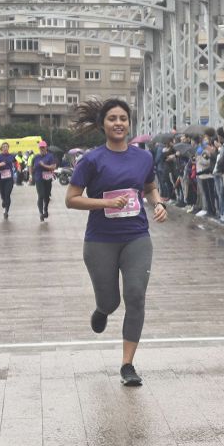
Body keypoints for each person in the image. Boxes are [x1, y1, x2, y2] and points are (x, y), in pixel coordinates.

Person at [65, 98, 168, 387]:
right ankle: (102, 310)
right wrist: (105, 202)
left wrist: (158, 203)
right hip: (100, 241)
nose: (119, 123)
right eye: (112, 118)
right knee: (111, 301)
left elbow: (149, 187)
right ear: (102, 125)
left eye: (123, 118)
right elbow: (71, 199)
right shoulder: (92, 160)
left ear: (129, 123)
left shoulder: (143, 158)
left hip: (137, 236)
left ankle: (127, 364)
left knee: (135, 296)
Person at [32, 141, 58, 222]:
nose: (42, 149)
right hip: (38, 178)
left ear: (46, 148)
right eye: (40, 148)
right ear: (39, 148)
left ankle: (45, 209)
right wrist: (30, 175)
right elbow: (31, 166)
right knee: (41, 195)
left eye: (43, 147)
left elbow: (53, 167)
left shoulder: (50, 156)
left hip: (47, 179)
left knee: (46, 196)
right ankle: (41, 213)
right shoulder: (36, 157)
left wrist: (44, 165)